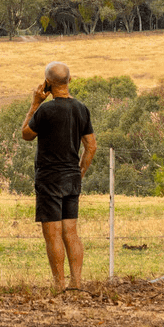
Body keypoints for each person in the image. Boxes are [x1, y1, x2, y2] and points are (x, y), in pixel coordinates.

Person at [21, 61, 96, 292]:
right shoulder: (81, 108)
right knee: (71, 232)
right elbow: (91, 146)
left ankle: (59, 285)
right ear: (69, 80)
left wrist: (35, 103)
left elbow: (26, 135)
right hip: (72, 178)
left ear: (47, 84)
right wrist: (80, 172)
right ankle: (76, 284)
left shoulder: (45, 110)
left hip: (49, 179)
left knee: (53, 234)